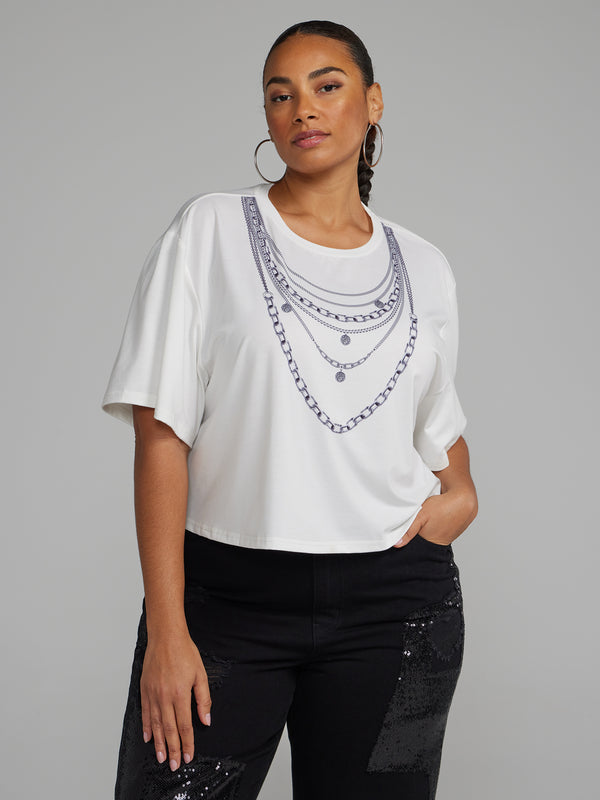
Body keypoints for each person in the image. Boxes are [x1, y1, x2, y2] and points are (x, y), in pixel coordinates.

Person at [101, 19, 478, 800]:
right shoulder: (209, 230)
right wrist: (167, 632)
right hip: (227, 600)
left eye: (326, 86)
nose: (302, 108)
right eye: (281, 95)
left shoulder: (424, 266)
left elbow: (436, 420)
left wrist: (462, 494)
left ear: (373, 102)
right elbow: (160, 431)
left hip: (397, 608)